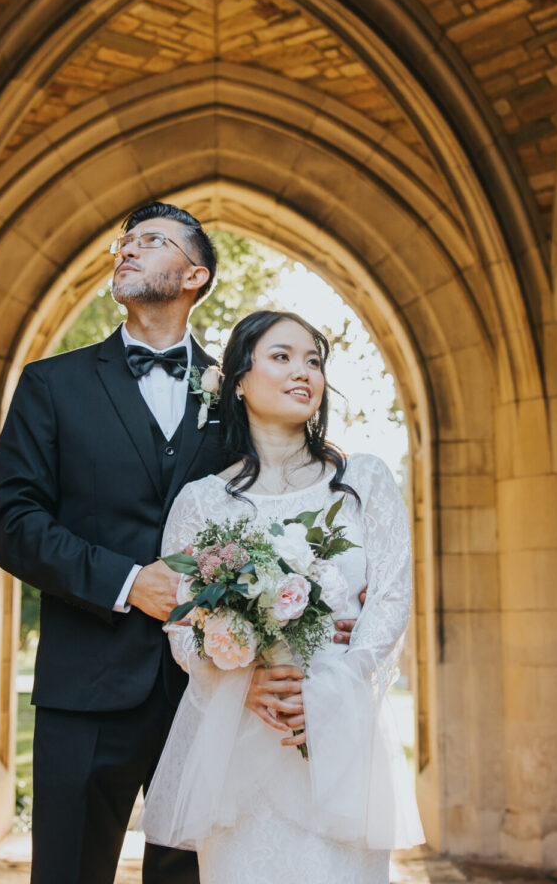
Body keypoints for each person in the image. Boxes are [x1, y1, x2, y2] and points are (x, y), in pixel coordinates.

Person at [0, 205, 359, 884]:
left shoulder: (241, 393)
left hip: (211, 695)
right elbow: (14, 525)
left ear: (196, 275)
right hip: (84, 689)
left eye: (151, 242)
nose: (127, 251)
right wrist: (129, 583)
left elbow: (285, 507)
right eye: (124, 243)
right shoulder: (52, 385)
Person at [142, 310, 424, 884]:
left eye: (314, 361)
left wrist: (337, 685)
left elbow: (392, 596)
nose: (304, 372)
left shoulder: (363, 481)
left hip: (339, 734)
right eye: (282, 356)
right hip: (239, 739)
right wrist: (242, 680)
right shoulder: (201, 502)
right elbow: (180, 625)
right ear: (238, 380)